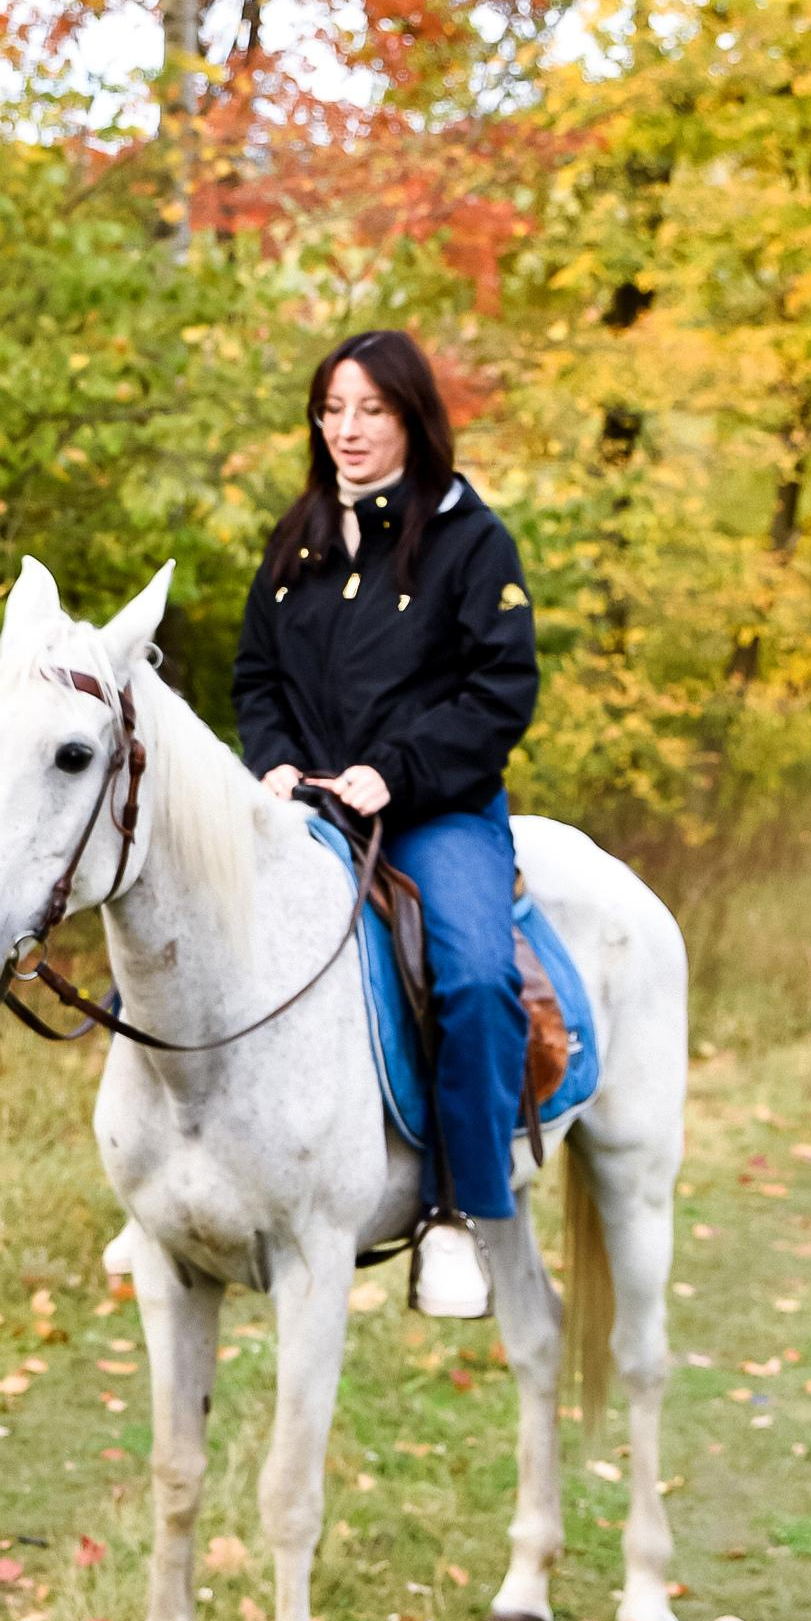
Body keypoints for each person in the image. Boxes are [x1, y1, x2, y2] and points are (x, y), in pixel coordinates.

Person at [231, 328, 539, 1319]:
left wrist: (392, 773)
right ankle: (184, 1186)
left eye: (371, 410)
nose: (348, 431)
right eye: (333, 410)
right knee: (187, 934)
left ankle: (459, 1215)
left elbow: (502, 691)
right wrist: (274, 762)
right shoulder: (296, 541)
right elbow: (258, 676)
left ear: (412, 418)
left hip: (433, 813)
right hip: (302, 810)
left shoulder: (471, 540)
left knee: (479, 977)